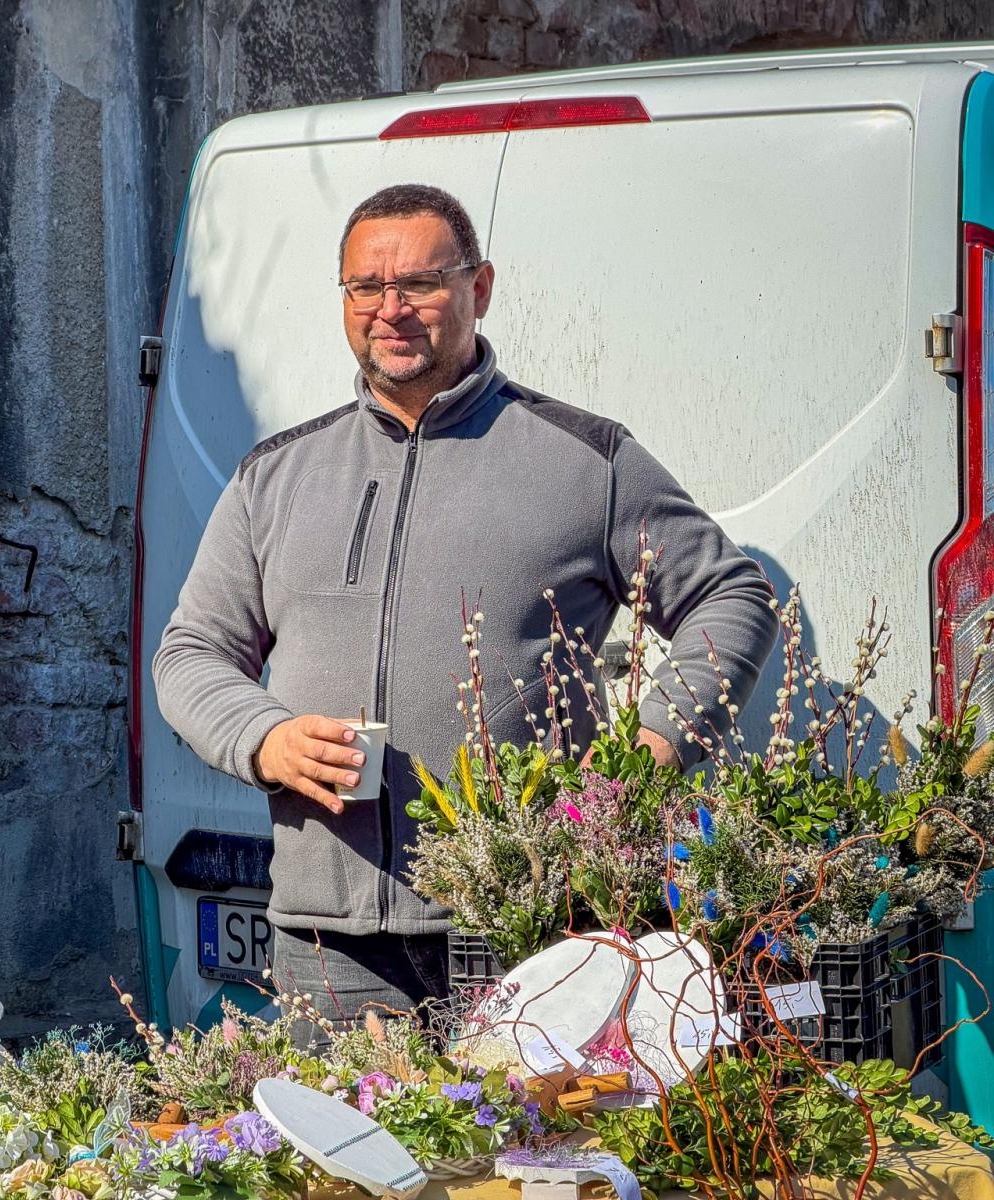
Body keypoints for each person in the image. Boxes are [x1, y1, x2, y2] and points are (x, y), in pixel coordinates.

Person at [151, 183, 778, 1022]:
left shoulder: (585, 460)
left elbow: (730, 594)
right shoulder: (276, 476)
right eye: (366, 288)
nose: (391, 309)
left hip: (533, 930)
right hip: (328, 946)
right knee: (341, 1156)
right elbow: (190, 654)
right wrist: (263, 738)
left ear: (479, 289)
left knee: (548, 1157)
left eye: (421, 283)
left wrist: (655, 745)